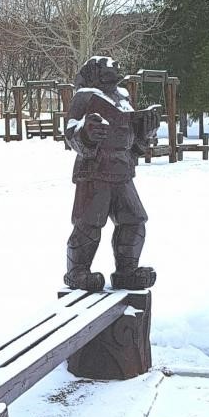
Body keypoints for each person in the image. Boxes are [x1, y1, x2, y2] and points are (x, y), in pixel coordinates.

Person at [64, 56, 160, 291]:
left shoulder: (122, 99)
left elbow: (132, 141)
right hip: (94, 170)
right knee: (89, 223)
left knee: (134, 220)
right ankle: (77, 272)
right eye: (107, 64)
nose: (115, 65)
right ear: (94, 71)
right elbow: (70, 133)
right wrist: (86, 133)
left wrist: (145, 132)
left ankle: (126, 271)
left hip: (122, 170)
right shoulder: (85, 96)